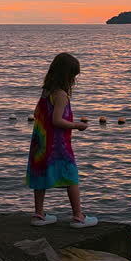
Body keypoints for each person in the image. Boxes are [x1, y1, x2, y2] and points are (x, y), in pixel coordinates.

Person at [28, 52, 97, 227]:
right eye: (73, 76)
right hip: (57, 144)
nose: (74, 80)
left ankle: (38, 214)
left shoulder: (46, 92)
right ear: (67, 75)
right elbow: (56, 120)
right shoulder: (61, 95)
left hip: (41, 143)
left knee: (41, 175)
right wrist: (77, 125)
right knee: (71, 176)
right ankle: (78, 216)